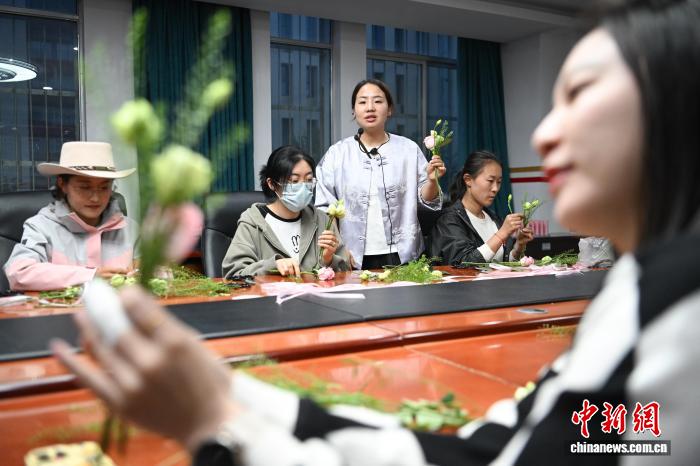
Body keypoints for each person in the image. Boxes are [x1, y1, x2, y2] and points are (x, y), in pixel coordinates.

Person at [53, 0, 700, 464]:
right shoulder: (639, 289)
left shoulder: (677, 306)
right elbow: (504, 444)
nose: (544, 133)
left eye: (579, 94)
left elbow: (426, 207)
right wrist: (227, 395)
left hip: (396, 261)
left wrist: (217, 421)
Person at [314, 78, 445, 269]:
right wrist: (338, 249)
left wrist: (432, 182)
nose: (370, 108)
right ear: (354, 110)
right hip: (352, 255)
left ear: (389, 109)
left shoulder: (408, 149)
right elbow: (324, 208)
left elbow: (427, 200)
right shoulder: (338, 153)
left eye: (377, 101)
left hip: (404, 254)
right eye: (362, 102)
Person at [4, 141, 138, 291]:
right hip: (59, 307)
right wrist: (91, 276)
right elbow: (19, 273)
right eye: (84, 187)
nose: (95, 198)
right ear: (62, 184)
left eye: (104, 187)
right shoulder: (41, 227)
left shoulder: (130, 229)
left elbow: (149, 274)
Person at [222, 145, 348, 277]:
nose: (303, 187)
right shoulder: (252, 223)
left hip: (315, 291)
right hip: (269, 291)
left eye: (309, 180)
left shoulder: (323, 220)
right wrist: (272, 265)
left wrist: (328, 259)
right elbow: (233, 274)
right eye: (294, 181)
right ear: (272, 184)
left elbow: (346, 274)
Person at [429, 150, 534, 265]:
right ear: (468, 180)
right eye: (490, 181)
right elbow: (464, 264)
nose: (495, 188)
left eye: (499, 182)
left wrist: (518, 246)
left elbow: (500, 265)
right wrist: (501, 234)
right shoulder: (449, 220)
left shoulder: (493, 218)